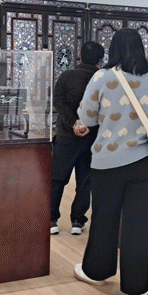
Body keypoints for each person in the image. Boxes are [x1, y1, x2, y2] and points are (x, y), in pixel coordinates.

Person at [74, 28, 148, 295]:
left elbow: (87, 117)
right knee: (140, 225)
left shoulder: (102, 77)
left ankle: (97, 271)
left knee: (104, 218)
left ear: (112, 49)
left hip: (108, 162)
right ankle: (136, 289)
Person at [50, 41, 104, 235]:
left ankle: (52, 220)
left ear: (79, 58)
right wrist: (87, 124)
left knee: (57, 179)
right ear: (100, 61)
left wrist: (74, 123)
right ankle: (77, 221)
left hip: (66, 136)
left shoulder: (66, 77)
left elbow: (58, 102)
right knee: (85, 181)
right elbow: (104, 107)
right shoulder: (102, 80)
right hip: (92, 138)